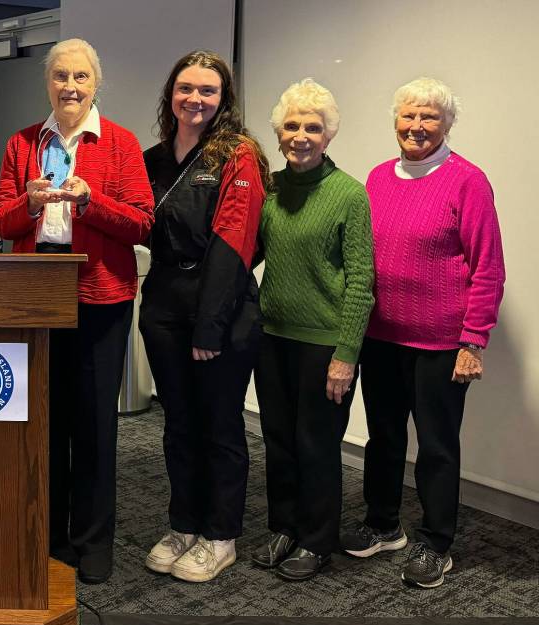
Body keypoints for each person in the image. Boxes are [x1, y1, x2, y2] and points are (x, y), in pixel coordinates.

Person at [0, 38, 154, 585]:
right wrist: (29, 203)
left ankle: (93, 540)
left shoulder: (121, 144)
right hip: (36, 297)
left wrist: (91, 201)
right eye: (61, 76)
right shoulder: (21, 144)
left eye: (81, 77)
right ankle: (50, 535)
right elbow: (2, 222)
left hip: (100, 299)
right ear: (48, 83)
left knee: (94, 425)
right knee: (44, 423)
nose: (70, 87)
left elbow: (140, 222)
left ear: (95, 84)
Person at [341, 78, 506, 588]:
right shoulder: (375, 177)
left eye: (429, 117)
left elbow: (489, 268)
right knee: (383, 436)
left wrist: (473, 341)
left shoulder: (467, 181)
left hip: (440, 343)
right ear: (395, 120)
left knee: (436, 445)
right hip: (381, 335)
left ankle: (436, 542)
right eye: (408, 116)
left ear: (448, 124)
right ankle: (382, 524)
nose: (416, 127)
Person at [140, 50, 269, 583]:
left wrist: (209, 326)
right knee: (178, 423)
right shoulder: (152, 159)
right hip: (164, 302)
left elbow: (234, 242)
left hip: (222, 305)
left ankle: (221, 534)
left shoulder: (239, 154)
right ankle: (184, 524)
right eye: (186, 88)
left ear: (224, 99)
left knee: (218, 425)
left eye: (208, 90)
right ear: (171, 93)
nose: (196, 99)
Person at [251, 79, 375, 581]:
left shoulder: (349, 194)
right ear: (279, 133)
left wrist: (346, 354)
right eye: (292, 125)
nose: (301, 135)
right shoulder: (271, 190)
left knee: (317, 443)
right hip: (272, 336)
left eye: (313, 127)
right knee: (278, 439)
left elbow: (362, 280)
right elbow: (253, 254)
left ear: (329, 136)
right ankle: (284, 526)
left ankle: (317, 540)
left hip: (325, 344)